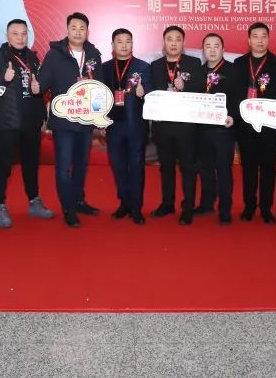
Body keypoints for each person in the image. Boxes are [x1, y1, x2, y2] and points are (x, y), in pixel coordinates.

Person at [34, 12, 105, 228]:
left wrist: (99, 116)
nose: (78, 32)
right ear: (67, 30)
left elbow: (100, 88)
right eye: (74, 28)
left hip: (86, 121)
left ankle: (78, 200)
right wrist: (37, 86)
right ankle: (68, 208)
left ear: (87, 32)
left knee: (81, 165)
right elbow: (42, 83)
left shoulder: (93, 56)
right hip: (64, 121)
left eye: (82, 28)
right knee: (64, 167)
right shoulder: (55, 55)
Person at [0, 18, 53, 228]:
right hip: (8, 122)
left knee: (31, 164)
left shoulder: (33, 58)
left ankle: (34, 201)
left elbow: (38, 89)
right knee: (4, 165)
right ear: (7, 36)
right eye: (15, 34)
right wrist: (3, 78)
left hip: (31, 121)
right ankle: (0, 205)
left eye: (24, 33)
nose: (20, 37)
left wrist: (42, 115)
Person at [147, 25, 205, 225]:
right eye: (169, 39)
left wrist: (185, 86)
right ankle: (167, 203)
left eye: (177, 39)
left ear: (183, 43)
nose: (173, 43)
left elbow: (201, 88)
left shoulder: (193, 63)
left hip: (186, 126)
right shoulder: (155, 65)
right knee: (166, 167)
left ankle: (188, 208)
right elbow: (151, 92)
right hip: (163, 126)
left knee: (188, 167)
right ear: (164, 43)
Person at [232, 22, 276, 224]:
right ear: (249, 40)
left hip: (269, 126)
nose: (260, 40)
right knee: (248, 169)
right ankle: (249, 207)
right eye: (255, 36)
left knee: (268, 169)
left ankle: (266, 208)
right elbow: (234, 95)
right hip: (245, 126)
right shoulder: (239, 63)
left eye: (264, 36)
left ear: (268, 39)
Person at [97, 28, 152, 225]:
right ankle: (125, 203)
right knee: (119, 167)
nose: (124, 45)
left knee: (136, 167)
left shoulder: (143, 67)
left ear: (132, 44)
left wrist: (144, 93)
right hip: (113, 126)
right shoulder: (104, 68)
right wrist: (100, 120)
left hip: (135, 125)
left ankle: (136, 207)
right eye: (119, 41)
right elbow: (99, 96)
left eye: (128, 41)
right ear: (113, 45)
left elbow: (152, 94)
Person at [196, 33, 240, 224]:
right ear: (203, 50)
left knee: (223, 171)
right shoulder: (197, 71)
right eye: (208, 46)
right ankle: (206, 204)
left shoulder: (233, 70)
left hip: (223, 129)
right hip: (201, 129)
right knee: (204, 169)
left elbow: (239, 97)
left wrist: (233, 116)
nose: (212, 50)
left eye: (216, 46)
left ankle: (225, 209)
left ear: (223, 48)